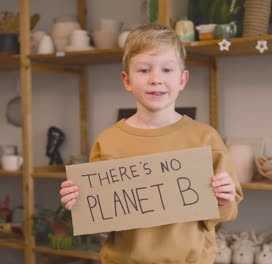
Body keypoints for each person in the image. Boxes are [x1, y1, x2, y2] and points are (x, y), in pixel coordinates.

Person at [60, 23, 243, 264]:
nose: (156, 79)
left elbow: (227, 213)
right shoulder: (108, 141)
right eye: (144, 70)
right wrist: (79, 204)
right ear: (127, 80)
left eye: (167, 69)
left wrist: (225, 198)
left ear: (182, 79)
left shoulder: (205, 138)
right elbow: (99, 222)